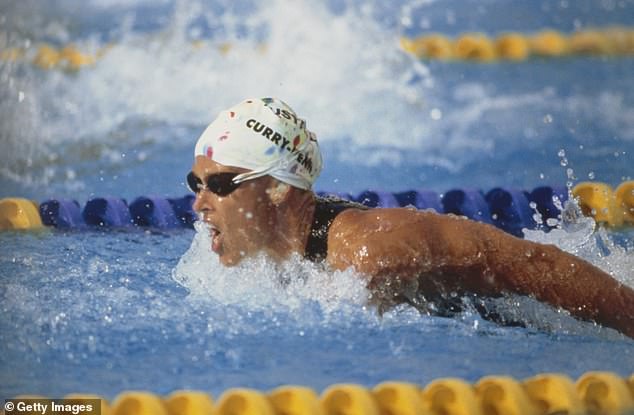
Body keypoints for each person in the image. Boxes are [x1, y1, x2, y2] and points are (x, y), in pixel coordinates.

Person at [187, 97, 634, 338]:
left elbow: (531, 264)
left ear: (281, 187)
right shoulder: (266, 256)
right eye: (197, 184)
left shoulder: (373, 249)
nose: (199, 204)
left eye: (221, 185)